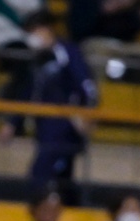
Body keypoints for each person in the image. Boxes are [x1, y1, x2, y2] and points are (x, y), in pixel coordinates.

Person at [21, 14, 98, 195]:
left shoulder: (67, 52)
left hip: (65, 126)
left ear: (47, 29)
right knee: (61, 178)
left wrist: (87, 113)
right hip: (44, 126)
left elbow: (87, 86)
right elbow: (28, 91)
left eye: (34, 31)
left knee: (41, 174)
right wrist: (13, 122)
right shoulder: (37, 58)